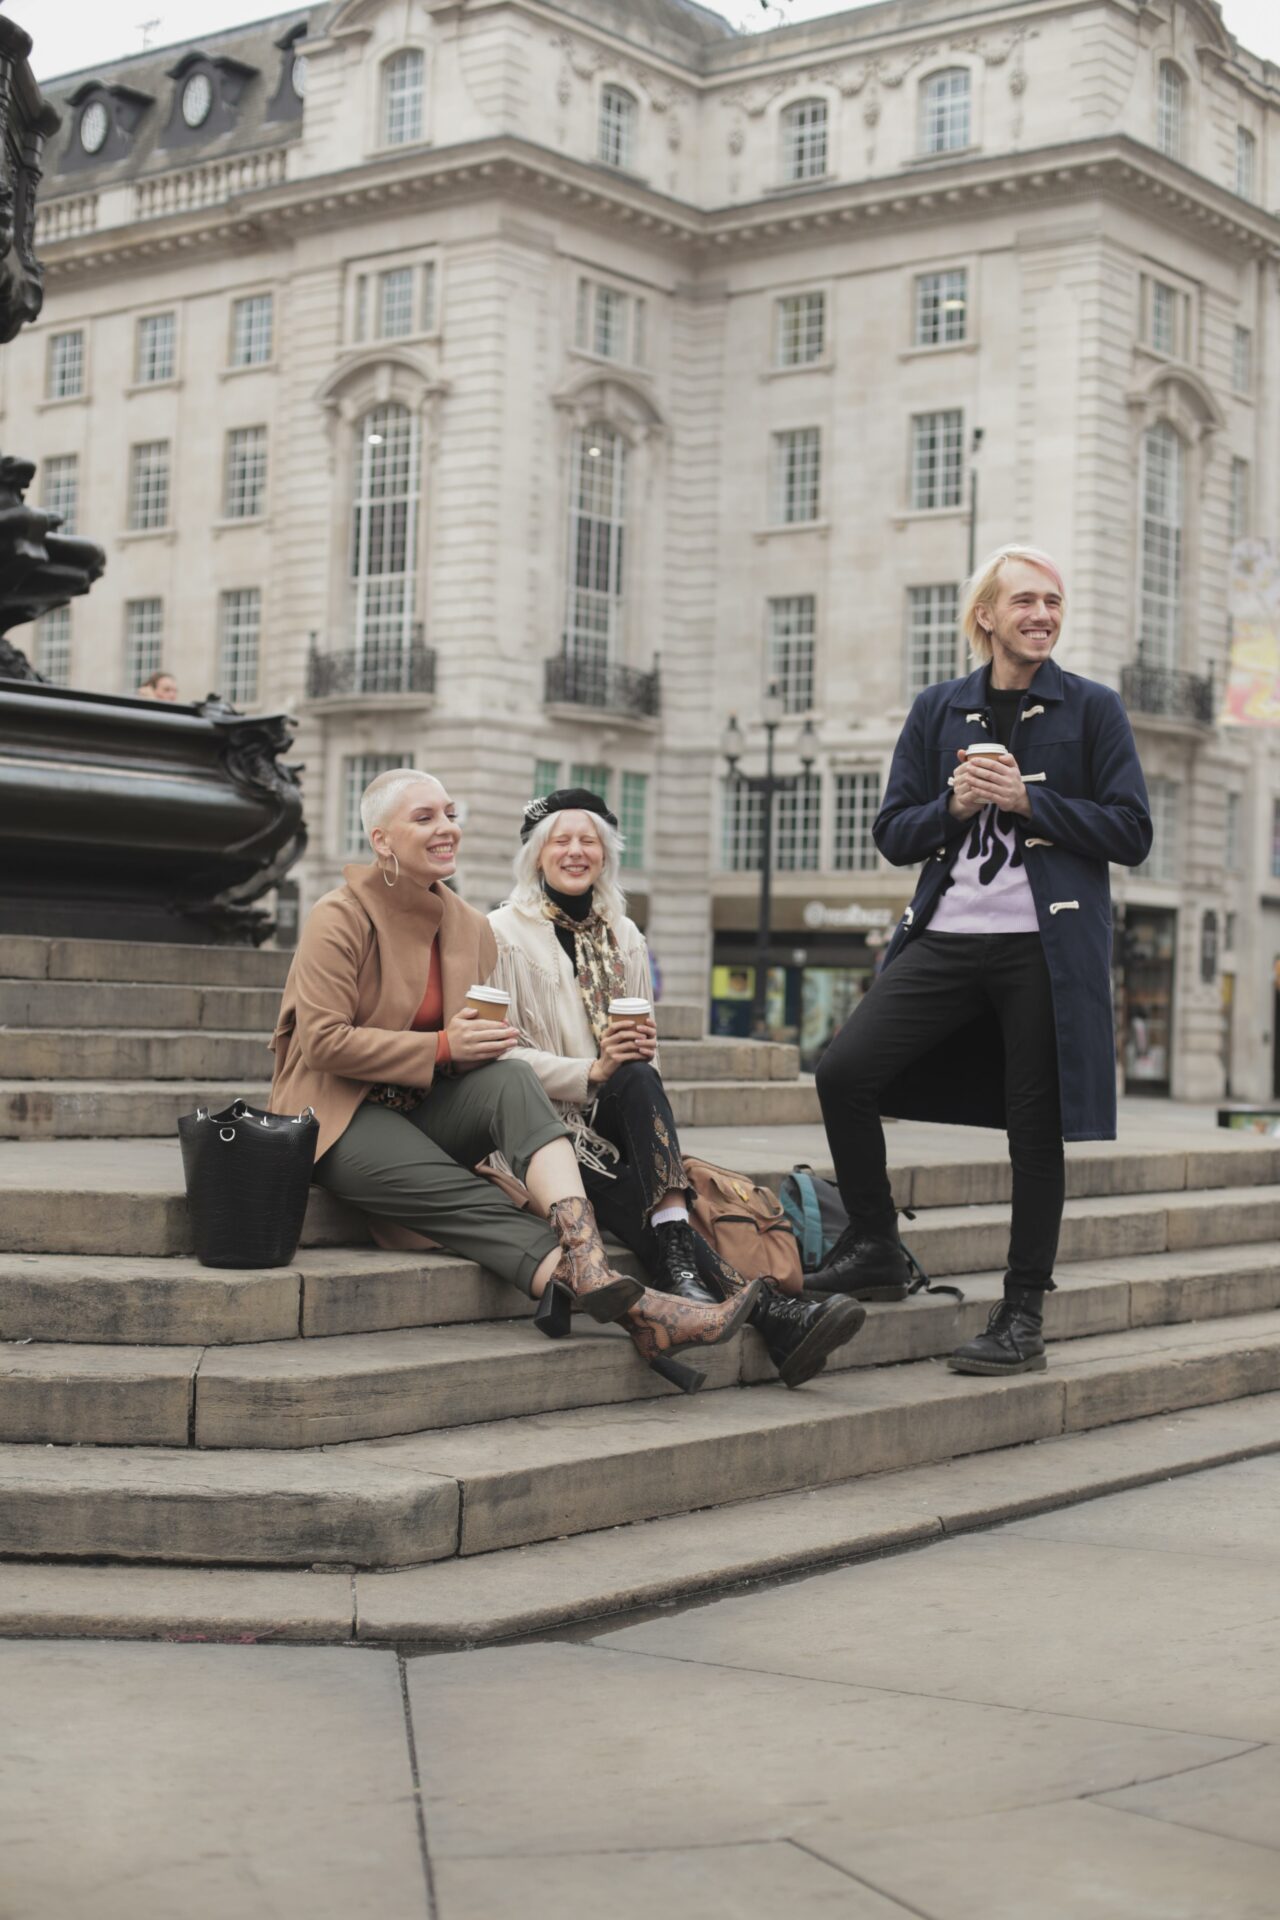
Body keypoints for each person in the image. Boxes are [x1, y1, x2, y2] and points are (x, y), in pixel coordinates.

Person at [269, 767, 757, 1393]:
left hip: (425, 1105)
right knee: (467, 1198)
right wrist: (447, 1044)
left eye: (449, 813)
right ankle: (638, 1308)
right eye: (424, 818)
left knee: (511, 1080)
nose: (447, 828)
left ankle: (584, 1252)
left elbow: (476, 1046)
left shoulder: (468, 925)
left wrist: (483, 1048)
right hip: (340, 1113)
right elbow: (321, 1042)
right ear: (381, 839)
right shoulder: (337, 916)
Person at [811, 545, 1152, 1375]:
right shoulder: (938, 710)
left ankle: (1022, 1311)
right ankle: (876, 1244)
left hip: (1042, 947)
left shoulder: (1093, 709)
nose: (1043, 616)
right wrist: (956, 803)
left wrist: (1030, 799)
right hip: (946, 935)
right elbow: (893, 832)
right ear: (986, 617)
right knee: (843, 1071)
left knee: (1036, 1134)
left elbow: (1132, 832)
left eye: (1054, 604)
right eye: (1026, 602)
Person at [488, 787, 867, 1389]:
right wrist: (590, 1072)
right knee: (625, 1182)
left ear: (606, 855)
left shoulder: (625, 934)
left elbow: (646, 1053)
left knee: (638, 1073)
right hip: (544, 1126)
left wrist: (629, 1092)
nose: (576, 850)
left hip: (618, 1115)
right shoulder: (503, 934)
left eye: (589, 840)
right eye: (561, 839)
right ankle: (773, 1316)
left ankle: (685, 1261)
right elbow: (496, 1056)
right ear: (537, 854)